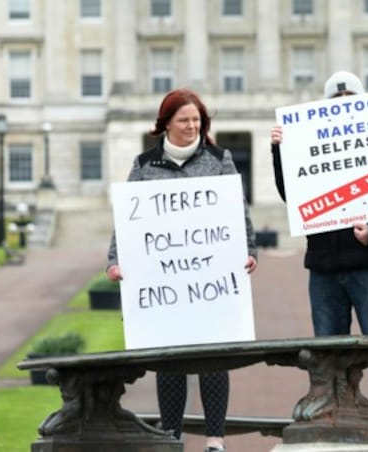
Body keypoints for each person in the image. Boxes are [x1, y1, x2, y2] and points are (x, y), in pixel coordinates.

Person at [106, 88, 258, 452]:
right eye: (184, 120)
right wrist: (115, 258)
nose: (192, 127)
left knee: (213, 358)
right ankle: (172, 437)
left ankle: (215, 440)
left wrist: (249, 249)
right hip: (165, 285)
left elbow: (238, 211)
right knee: (170, 361)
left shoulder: (220, 159)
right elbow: (125, 221)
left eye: (197, 121)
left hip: (211, 280)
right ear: (166, 124)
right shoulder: (144, 165)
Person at [269, 71, 368, 427]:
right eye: (338, 99)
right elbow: (293, 196)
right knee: (327, 352)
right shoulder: (309, 139)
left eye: (350, 98)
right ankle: (334, 413)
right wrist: (279, 152)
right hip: (324, 265)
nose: (344, 104)